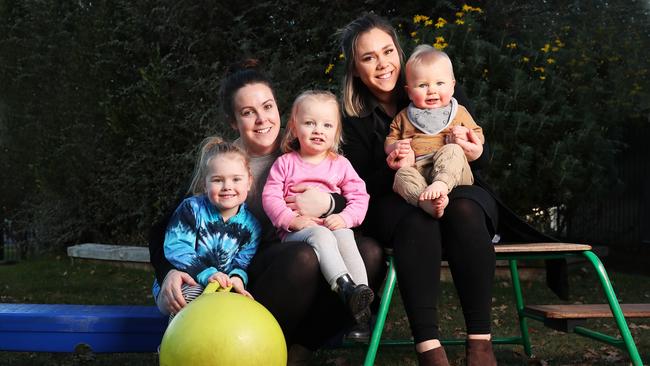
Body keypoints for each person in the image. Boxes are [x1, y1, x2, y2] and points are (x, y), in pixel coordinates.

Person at [148, 59, 385, 363]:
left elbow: (353, 189)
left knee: (370, 252)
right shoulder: (225, 166)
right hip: (249, 267)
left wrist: (330, 203)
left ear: (279, 109)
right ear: (234, 121)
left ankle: (301, 349)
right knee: (304, 257)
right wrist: (168, 272)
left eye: (268, 107)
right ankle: (252, 345)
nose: (262, 120)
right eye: (248, 113)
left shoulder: (306, 145)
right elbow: (163, 228)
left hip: (311, 244)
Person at [338, 13, 498, 366]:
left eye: (387, 51)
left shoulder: (436, 81)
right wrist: (392, 165)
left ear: (399, 50)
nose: (382, 64)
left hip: (458, 186)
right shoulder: (352, 120)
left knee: (464, 209)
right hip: (397, 198)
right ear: (355, 69)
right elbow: (356, 182)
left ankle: (481, 344)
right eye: (368, 57)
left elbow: (484, 149)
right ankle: (429, 347)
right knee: (417, 222)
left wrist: (476, 151)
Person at [262, 90, 373, 326]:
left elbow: (360, 197)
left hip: (331, 226)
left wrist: (345, 218)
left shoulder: (340, 164)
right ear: (294, 126)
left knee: (345, 235)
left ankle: (361, 297)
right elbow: (270, 196)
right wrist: (290, 220)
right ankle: (343, 285)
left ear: (336, 132)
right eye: (310, 123)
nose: (318, 130)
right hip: (297, 232)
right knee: (321, 234)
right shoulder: (286, 163)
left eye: (326, 125)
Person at [154, 137, 260, 319]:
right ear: (205, 184)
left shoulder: (252, 226)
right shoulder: (191, 209)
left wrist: (237, 278)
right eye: (218, 180)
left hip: (220, 287)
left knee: (238, 305)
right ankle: (176, 345)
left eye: (236, 179)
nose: (227, 187)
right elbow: (176, 248)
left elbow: (243, 261)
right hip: (184, 284)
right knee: (192, 299)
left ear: (248, 182)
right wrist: (207, 274)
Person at [385, 45, 484, 219]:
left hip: (455, 172)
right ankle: (426, 202)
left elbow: (478, 135)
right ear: (409, 92)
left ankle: (441, 185)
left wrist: (468, 138)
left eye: (439, 83)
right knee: (401, 176)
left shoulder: (459, 111)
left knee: (453, 150)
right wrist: (396, 147)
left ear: (452, 87)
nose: (432, 90)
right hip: (419, 171)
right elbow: (390, 141)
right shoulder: (403, 117)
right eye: (423, 85)